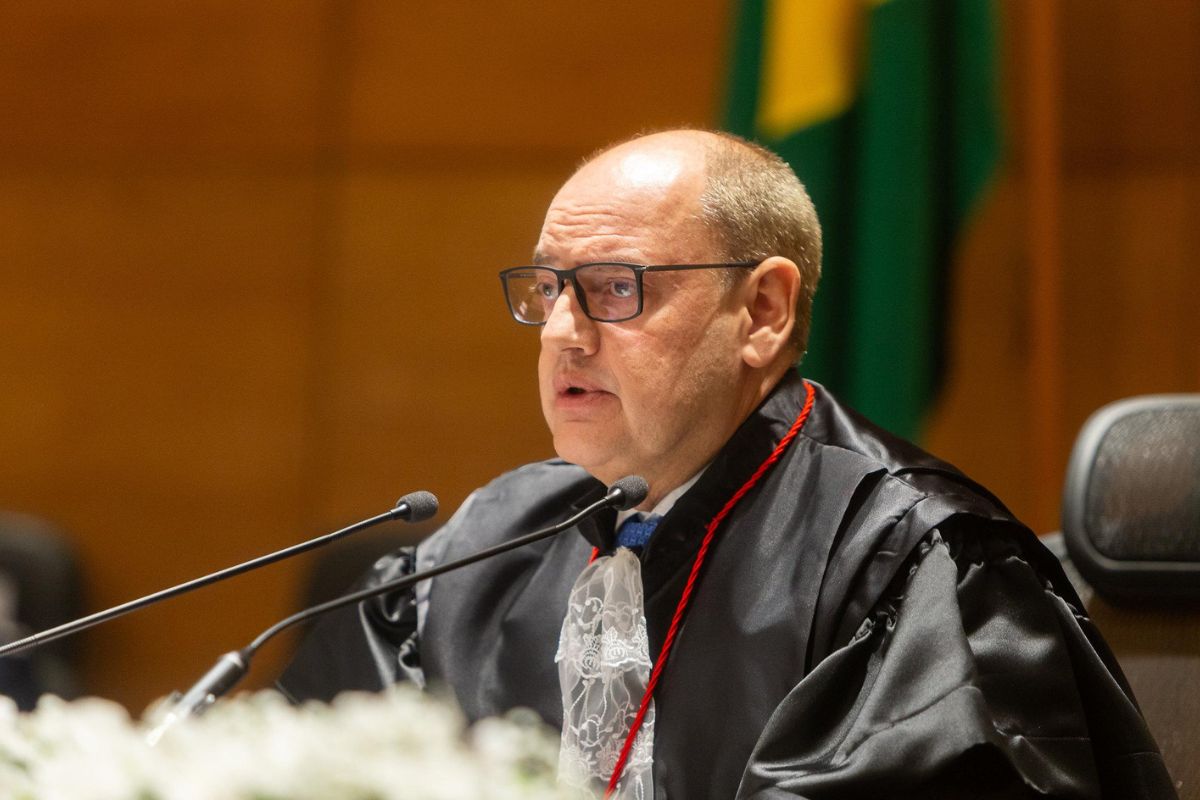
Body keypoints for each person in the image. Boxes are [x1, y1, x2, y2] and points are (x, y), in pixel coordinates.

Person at [279, 130, 1173, 799]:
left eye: (615, 287)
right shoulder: (479, 548)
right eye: (549, 290)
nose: (561, 334)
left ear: (763, 312)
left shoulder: (908, 561)